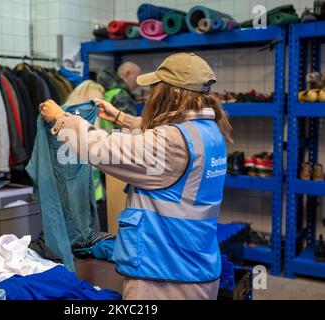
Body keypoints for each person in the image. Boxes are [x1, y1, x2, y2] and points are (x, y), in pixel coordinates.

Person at [39, 53, 233, 300]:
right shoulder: (209, 131)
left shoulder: (173, 143)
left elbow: (103, 149)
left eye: (155, 88)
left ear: (171, 93)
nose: (151, 94)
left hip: (166, 278)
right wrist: (122, 118)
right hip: (192, 265)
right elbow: (162, 137)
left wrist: (62, 119)